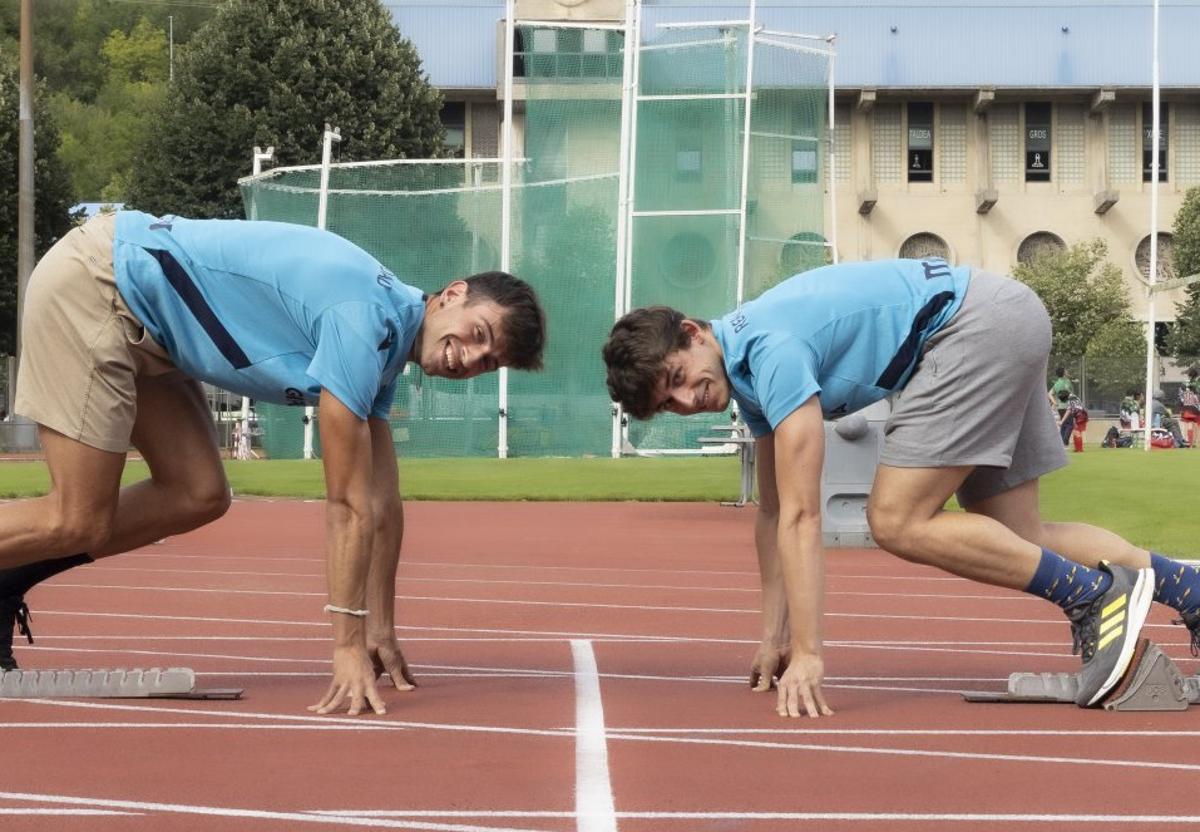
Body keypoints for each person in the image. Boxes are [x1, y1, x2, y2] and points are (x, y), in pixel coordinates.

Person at [0, 211, 546, 717]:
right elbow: (348, 503)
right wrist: (346, 645)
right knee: (75, 518)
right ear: (453, 294)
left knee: (198, 493)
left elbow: (382, 501)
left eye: (488, 362)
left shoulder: (389, 337)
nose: (471, 358)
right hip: (102, 285)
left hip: (151, 327)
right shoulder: (363, 321)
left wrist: (380, 627)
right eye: (480, 335)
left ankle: (7, 577)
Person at [603, 258, 1200, 718]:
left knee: (895, 518)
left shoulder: (769, 350)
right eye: (669, 403)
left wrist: (809, 652)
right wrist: (773, 636)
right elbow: (773, 512)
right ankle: (1192, 592)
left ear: (692, 332)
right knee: (1020, 539)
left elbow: (804, 518)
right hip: (1000, 315)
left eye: (678, 379)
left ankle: (1094, 597)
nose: (687, 400)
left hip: (973, 328)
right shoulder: (746, 373)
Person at [1178, 366, 1200, 448]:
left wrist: (1180, 408)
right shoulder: (1197, 383)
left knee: (1188, 425)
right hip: (1196, 407)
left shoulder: (1183, 383)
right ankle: (1197, 443)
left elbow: (1180, 396)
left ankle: (1189, 443)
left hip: (1186, 407)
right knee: (1197, 426)